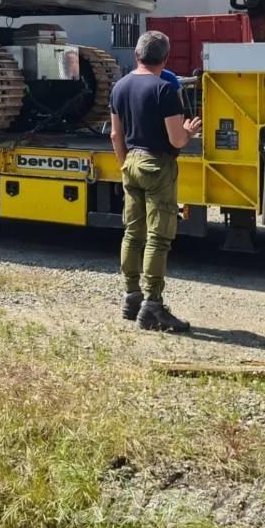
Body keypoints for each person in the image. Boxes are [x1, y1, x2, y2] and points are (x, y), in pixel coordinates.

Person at [109, 30, 202, 332]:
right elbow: (176, 139)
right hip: (157, 164)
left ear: (136, 55)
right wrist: (189, 131)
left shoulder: (119, 87)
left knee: (132, 234)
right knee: (158, 238)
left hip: (131, 161)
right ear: (165, 58)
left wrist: (125, 163)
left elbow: (115, 134)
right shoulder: (164, 90)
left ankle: (131, 297)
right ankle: (153, 306)